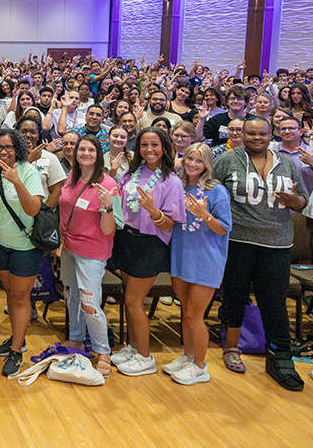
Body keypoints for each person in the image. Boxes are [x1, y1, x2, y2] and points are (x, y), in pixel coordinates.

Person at [214, 118, 308, 391]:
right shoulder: (228, 160)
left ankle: (279, 356)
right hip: (237, 240)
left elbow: (302, 199)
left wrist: (293, 201)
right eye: (251, 133)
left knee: (274, 301)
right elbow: (212, 192)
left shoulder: (287, 163)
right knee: (235, 295)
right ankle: (231, 347)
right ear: (241, 135)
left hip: (277, 243)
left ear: (271, 135)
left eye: (263, 133)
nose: (257, 137)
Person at [109, 127, 185, 377]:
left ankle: (145, 356)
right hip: (126, 239)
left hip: (150, 244)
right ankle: (132, 347)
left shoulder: (171, 181)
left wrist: (153, 211)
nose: (149, 150)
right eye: (144, 145)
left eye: (154, 145)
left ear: (164, 148)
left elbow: (168, 224)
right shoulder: (131, 174)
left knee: (133, 301)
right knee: (131, 300)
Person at [166, 142, 232, 386]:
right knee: (186, 312)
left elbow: (223, 228)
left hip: (206, 260)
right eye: (189, 159)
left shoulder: (217, 191)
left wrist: (206, 215)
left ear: (207, 164)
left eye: (198, 160)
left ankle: (200, 366)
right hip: (181, 256)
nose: (192, 164)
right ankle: (188, 356)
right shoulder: (178, 187)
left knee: (195, 315)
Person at [58, 135, 122, 378]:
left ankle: (103, 351)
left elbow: (108, 229)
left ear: (98, 154)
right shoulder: (71, 178)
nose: (85, 153)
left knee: (90, 303)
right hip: (69, 248)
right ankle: (76, 338)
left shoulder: (108, 184)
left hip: (92, 252)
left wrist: (107, 206)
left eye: (90, 150)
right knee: (72, 295)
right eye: (81, 149)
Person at [0, 127, 47, 376]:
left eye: (8, 147)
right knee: (11, 295)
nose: (3, 151)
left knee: (21, 299)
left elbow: (33, 209)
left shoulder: (28, 171)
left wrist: (17, 182)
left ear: (17, 149)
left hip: (25, 246)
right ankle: (17, 339)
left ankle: (17, 353)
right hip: (0, 243)